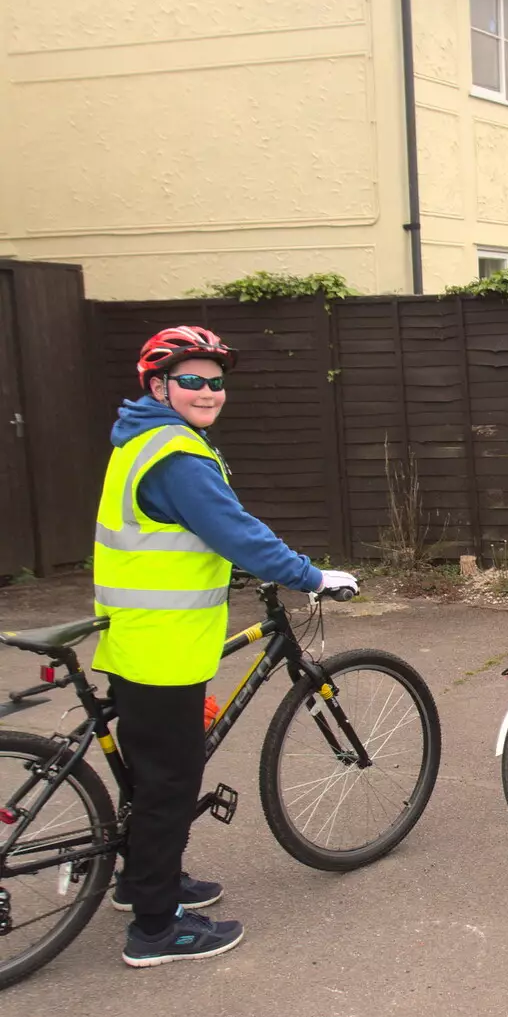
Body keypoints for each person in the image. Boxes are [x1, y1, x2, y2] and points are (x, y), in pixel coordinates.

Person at [95, 326, 359, 968]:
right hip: (162, 649)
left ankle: (144, 882)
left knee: (152, 775)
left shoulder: (142, 440)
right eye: (191, 379)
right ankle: (156, 931)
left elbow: (182, 537)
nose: (208, 390)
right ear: (158, 385)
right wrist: (311, 575)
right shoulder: (176, 456)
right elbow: (234, 530)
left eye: (215, 380)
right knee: (170, 782)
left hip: (140, 638)